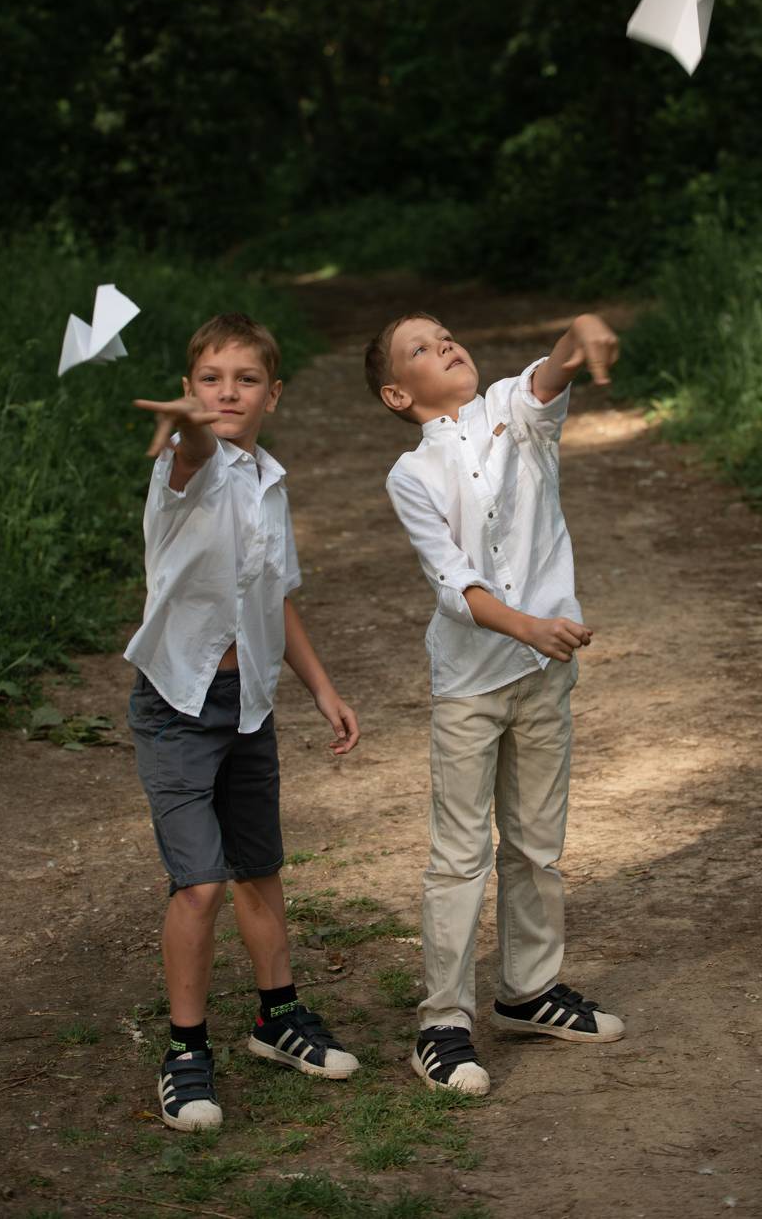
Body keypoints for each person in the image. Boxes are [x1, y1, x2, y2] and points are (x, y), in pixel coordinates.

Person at [364, 310, 625, 1095]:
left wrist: (581, 332)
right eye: (420, 348)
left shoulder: (514, 409)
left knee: (537, 843)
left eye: (445, 335)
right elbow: (455, 584)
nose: (445, 345)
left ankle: (529, 991)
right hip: (471, 686)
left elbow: (553, 371)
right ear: (396, 394)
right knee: (459, 854)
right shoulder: (411, 476)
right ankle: (442, 1025)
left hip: (544, 676)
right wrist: (529, 627)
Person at [126, 312, 360, 1132]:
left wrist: (321, 688)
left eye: (246, 380)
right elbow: (195, 454)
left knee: (259, 868)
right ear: (189, 391)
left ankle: (278, 1017)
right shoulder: (184, 467)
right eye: (210, 380)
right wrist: (186, 429)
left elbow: (276, 596)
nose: (227, 393)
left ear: (274, 395)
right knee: (199, 884)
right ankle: (186, 1050)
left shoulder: (268, 481)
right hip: (178, 707)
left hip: (250, 705)